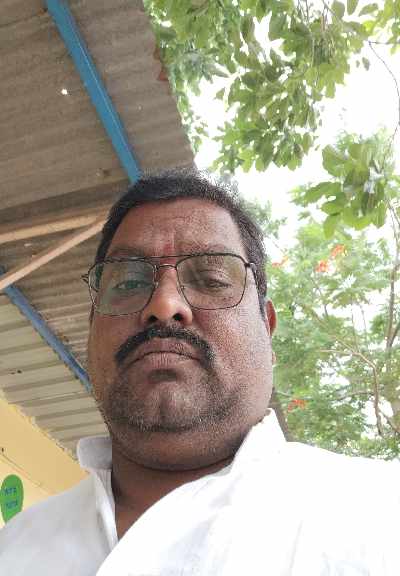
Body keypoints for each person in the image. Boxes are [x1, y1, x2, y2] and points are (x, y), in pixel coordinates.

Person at [0, 170, 399, 575]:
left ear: (267, 328)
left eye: (211, 279)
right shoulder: (13, 549)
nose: (164, 305)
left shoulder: (382, 517)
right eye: (129, 283)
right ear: (92, 326)